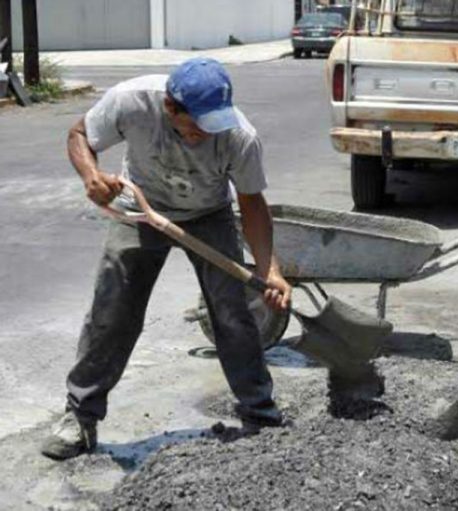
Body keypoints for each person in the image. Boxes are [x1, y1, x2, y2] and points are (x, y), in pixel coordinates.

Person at [41, 57, 292, 460]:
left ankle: (260, 412)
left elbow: (252, 203)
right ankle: (80, 416)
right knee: (112, 312)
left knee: (233, 313)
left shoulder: (239, 136)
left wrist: (270, 271)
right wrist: (91, 177)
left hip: (209, 214)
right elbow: (79, 135)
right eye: (197, 125)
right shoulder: (130, 101)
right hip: (140, 207)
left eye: (214, 125)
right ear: (170, 108)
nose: (205, 135)